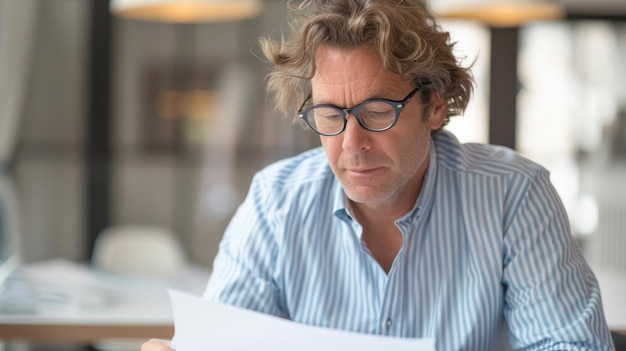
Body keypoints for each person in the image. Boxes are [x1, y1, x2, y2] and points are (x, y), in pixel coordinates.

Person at [142, 0, 615, 349]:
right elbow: (225, 340)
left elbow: (570, 345)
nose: (352, 144)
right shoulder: (275, 202)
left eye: (377, 110)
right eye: (330, 114)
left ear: (434, 106)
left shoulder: (513, 195)